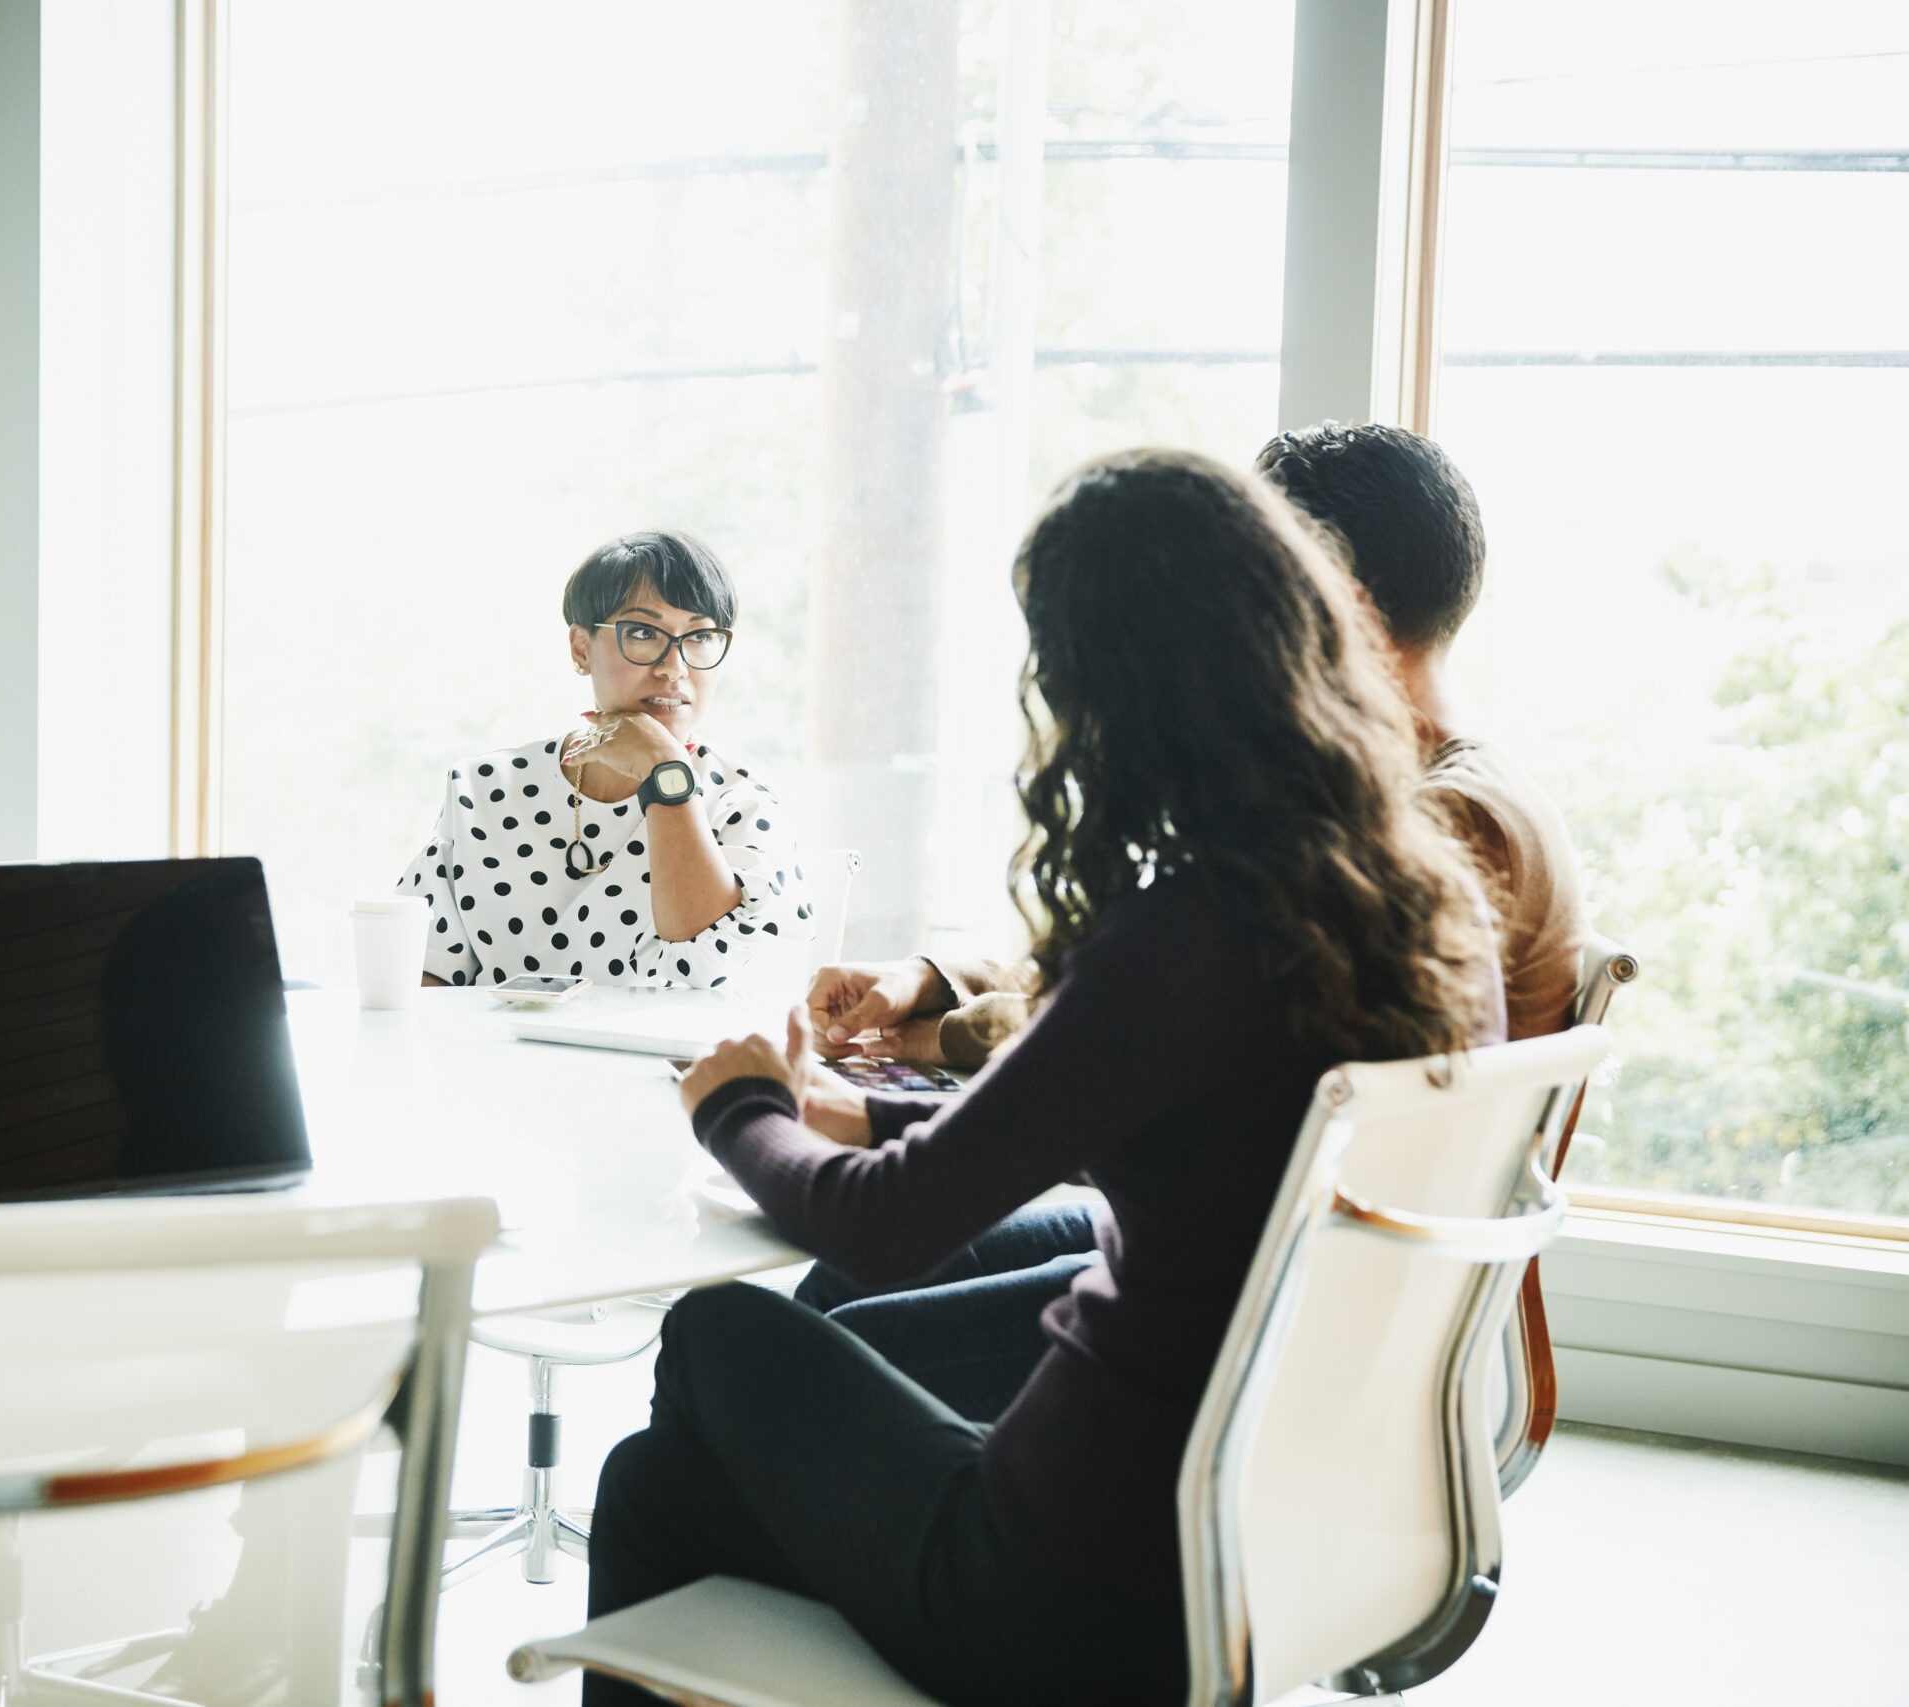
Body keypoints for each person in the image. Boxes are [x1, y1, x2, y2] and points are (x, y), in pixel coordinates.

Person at [585, 450, 1505, 1706]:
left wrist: (736, 1104)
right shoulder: (1415, 910)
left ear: (1108, 691)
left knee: (712, 1333)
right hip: (1247, 1555)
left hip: (1065, 1590)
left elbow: (888, 1224)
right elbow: (1142, 1123)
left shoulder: (1190, 930)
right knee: (657, 1483)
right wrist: (876, 1109)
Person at [813, 420, 1584, 1063]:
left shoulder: (1436, 826)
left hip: (1297, 1237)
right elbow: (1139, 981)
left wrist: (934, 1037)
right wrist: (935, 979)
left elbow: (1151, 1023)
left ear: (1328, 602)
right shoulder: (1428, 793)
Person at [393, 529, 806, 989]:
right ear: (581, 648)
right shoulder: (484, 788)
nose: (674, 667)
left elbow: (709, 963)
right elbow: (423, 971)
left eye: (701, 636)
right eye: (644, 633)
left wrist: (665, 772)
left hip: (667, 1062)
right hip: (494, 1057)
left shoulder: (743, 807)